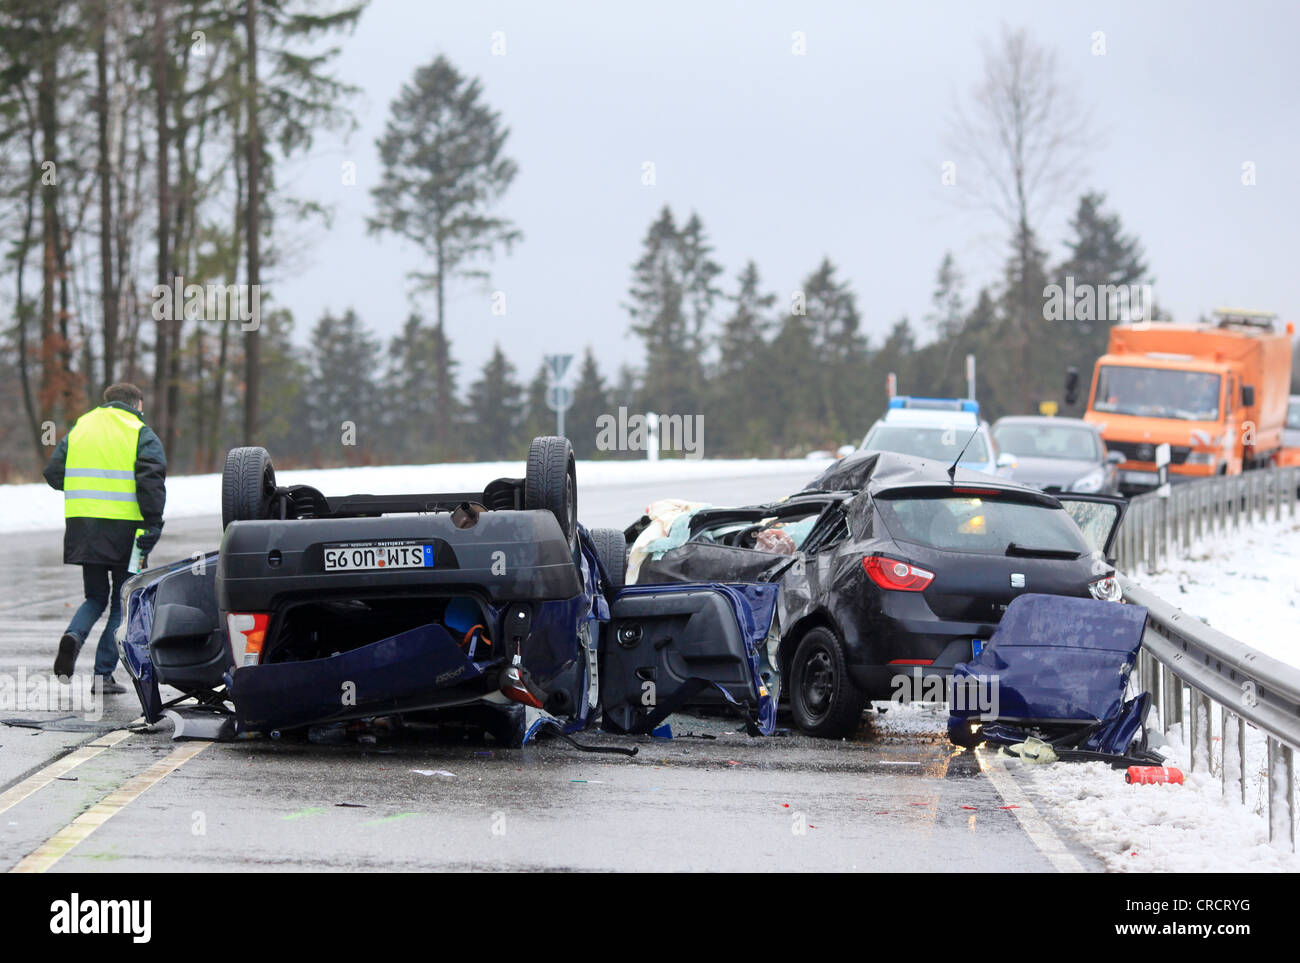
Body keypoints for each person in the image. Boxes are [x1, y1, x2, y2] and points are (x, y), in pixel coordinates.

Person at [44, 383, 166, 694]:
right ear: (136, 403)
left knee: (94, 597)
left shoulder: (81, 426)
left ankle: (74, 636)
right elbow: (151, 480)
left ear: (107, 401)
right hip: (128, 531)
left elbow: (54, 471)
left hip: (84, 527)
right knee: (121, 603)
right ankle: (102, 676)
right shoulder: (139, 430)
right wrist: (153, 524)